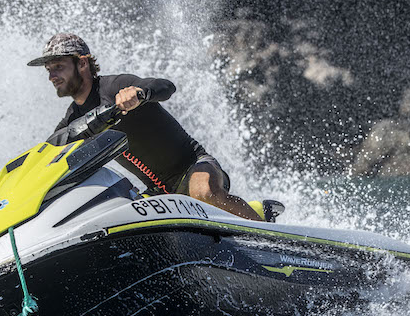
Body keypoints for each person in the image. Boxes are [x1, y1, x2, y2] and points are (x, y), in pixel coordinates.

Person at [27, 33, 262, 221]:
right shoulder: (73, 119)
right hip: (158, 193)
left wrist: (140, 93)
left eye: (58, 67)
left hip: (195, 167)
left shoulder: (115, 86)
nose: (52, 76)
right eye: (49, 70)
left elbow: (166, 86)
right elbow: (48, 151)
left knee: (204, 194)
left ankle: (267, 233)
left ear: (82, 63)